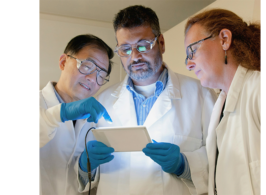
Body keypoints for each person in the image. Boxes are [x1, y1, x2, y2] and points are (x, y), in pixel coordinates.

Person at [76, 5, 217, 195]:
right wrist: (85, 166)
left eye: (143, 45)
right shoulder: (101, 102)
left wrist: (185, 165)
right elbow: (77, 174)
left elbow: (222, 159)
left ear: (161, 43)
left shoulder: (202, 95)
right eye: (125, 49)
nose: (135, 57)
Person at [184, 9, 260, 195]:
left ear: (224, 39)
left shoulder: (260, 89)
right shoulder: (220, 107)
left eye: (192, 50)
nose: (189, 64)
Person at [40, 34, 115, 195]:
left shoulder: (93, 121)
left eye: (101, 75)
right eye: (87, 66)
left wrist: (84, 168)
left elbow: (79, 183)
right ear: (63, 62)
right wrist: (61, 113)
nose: (92, 79)